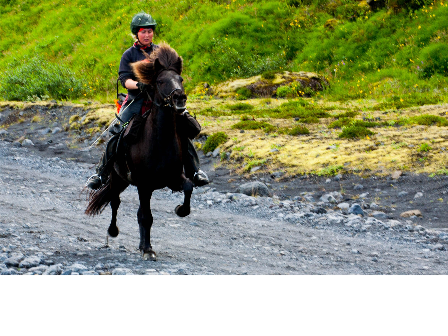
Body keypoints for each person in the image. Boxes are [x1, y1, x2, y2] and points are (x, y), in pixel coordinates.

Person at [86, 12, 209, 190]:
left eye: (150, 31)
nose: (147, 35)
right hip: (137, 100)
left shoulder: (162, 53)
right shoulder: (129, 55)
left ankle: (195, 171)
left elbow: (172, 75)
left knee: (183, 128)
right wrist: (139, 85)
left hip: (162, 100)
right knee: (118, 131)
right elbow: (125, 80)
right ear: (136, 33)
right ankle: (101, 173)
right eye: (143, 32)